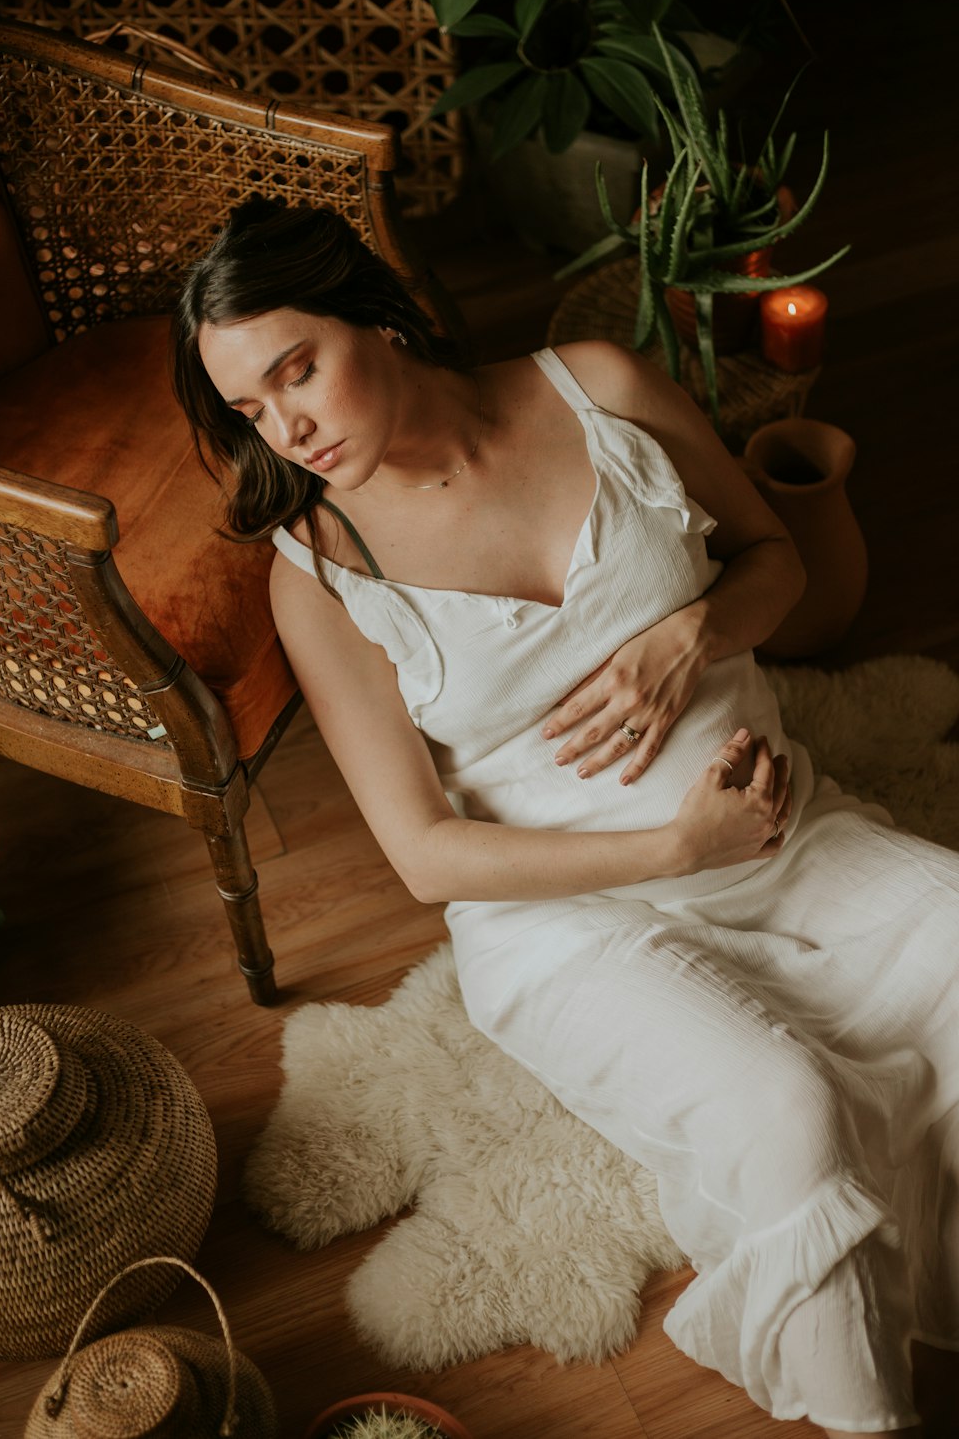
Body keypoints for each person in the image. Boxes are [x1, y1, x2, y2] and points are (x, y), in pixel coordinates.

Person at [173, 197, 958, 1438]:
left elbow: (773, 559)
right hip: (568, 925)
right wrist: (675, 847)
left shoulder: (598, 385)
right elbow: (425, 857)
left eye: (296, 372)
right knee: (790, 1111)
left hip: (781, 833)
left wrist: (691, 628)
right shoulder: (317, 574)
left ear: (372, 315)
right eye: (253, 411)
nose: (290, 428)